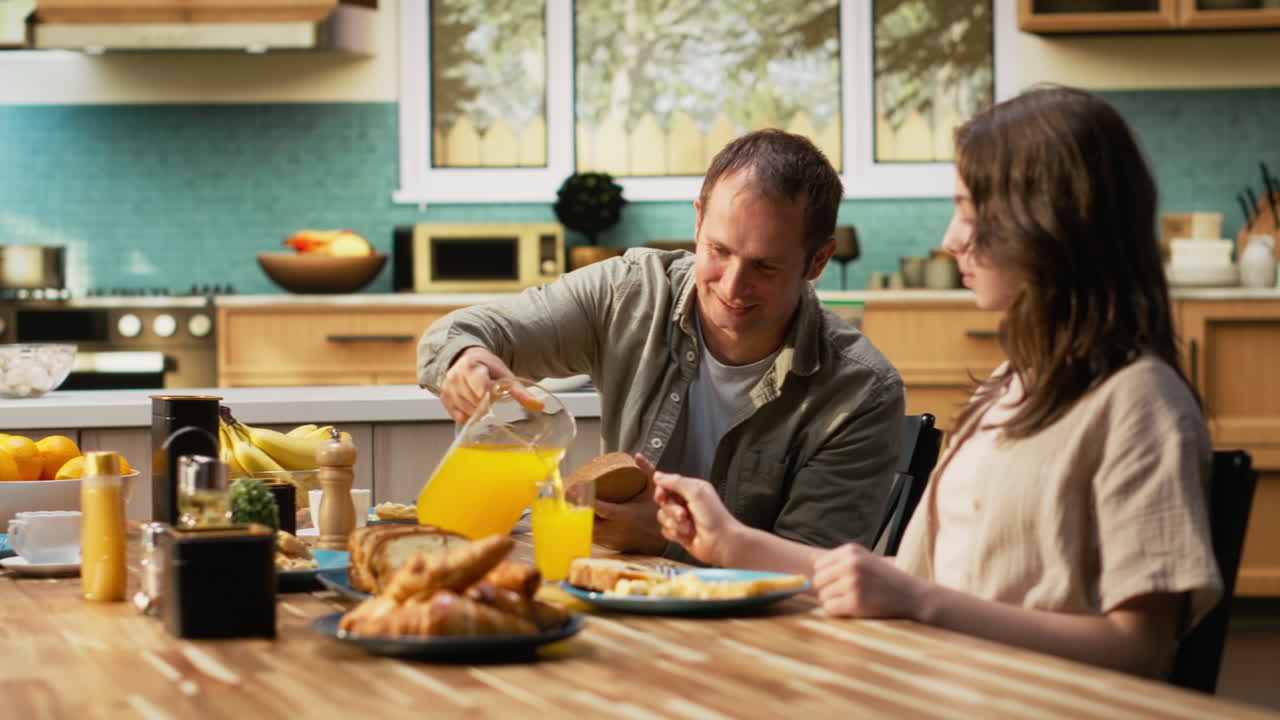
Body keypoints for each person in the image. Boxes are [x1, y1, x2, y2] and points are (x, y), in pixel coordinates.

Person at [652, 86, 1220, 678]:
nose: (952, 239)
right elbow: (911, 583)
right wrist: (730, 542)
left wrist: (920, 603)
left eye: (971, 213)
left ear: (1051, 225)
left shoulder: (1139, 401)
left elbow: (1142, 650)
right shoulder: (1009, 388)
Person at [418, 129, 904, 560]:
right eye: (719, 250)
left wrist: (671, 540)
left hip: (761, 626)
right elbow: (458, 332)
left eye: (765, 266)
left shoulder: (860, 392)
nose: (733, 286)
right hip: (618, 595)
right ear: (698, 221)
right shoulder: (628, 293)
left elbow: (817, 572)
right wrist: (466, 358)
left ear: (818, 261)